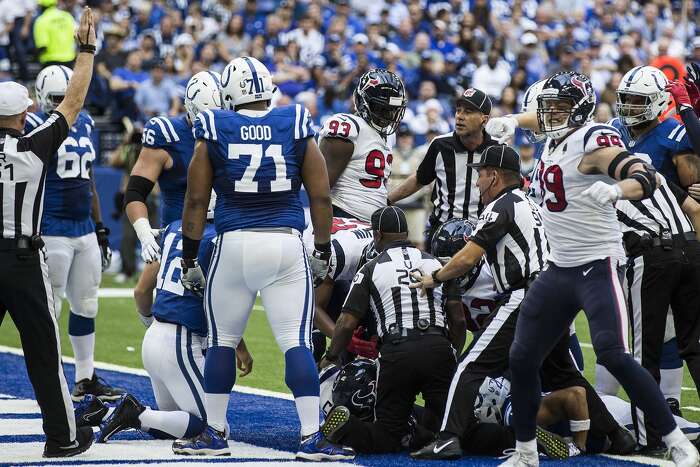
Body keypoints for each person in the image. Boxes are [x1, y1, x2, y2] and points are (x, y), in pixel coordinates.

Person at [485, 71, 699, 467]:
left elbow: (643, 174)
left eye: (558, 109)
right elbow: (540, 116)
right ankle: (526, 452)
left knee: (614, 354)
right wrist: (513, 120)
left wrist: (620, 189)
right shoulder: (556, 137)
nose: (548, 115)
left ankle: (676, 441)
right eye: (546, 109)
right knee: (522, 357)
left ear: (578, 111)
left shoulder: (591, 140)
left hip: (595, 266)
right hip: (557, 269)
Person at [174, 56, 354, 461]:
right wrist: (323, 248)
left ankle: (214, 433)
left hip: (234, 244)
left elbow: (196, 200)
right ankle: (311, 436)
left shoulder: (214, 124)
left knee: (221, 341)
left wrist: (188, 259)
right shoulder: (293, 119)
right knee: (296, 342)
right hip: (286, 244)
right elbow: (320, 195)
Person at [409, 146, 615, 460]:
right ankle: (617, 434)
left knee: (470, 366)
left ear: (493, 176)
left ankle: (448, 438)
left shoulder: (500, 205)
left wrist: (435, 277)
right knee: (561, 373)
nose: (477, 182)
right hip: (554, 292)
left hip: (528, 294)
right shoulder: (529, 203)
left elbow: (468, 257)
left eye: (480, 175)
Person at [0, 7, 95, 457]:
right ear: (24, 114)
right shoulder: (32, 146)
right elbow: (72, 102)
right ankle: (62, 438)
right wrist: (87, 50)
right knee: (42, 354)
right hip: (22, 258)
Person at [96, 196, 253, 445]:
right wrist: (239, 346)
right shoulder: (221, 239)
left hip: (155, 337)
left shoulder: (171, 229)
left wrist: (151, 324)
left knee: (172, 422)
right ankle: (135, 414)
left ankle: (105, 412)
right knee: (212, 428)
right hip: (180, 344)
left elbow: (141, 291)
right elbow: (219, 302)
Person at [320, 206, 466, 454]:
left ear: (377, 235)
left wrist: (331, 356)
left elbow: (346, 323)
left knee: (388, 434)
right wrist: (453, 352)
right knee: (454, 428)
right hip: (438, 347)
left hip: (399, 352)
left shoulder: (371, 268)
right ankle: (511, 433)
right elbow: (459, 320)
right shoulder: (434, 262)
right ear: (406, 233)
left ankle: (348, 428)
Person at [25, 64, 123, 402]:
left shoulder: (87, 123)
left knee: (87, 303)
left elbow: (89, 180)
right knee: (50, 308)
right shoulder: (35, 125)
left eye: (66, 97)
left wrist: (99, 226)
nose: (61, 104)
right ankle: (52, 376)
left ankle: (85, 376)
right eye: (55, 98)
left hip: (83, 229)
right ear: (41, 98)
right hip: (52, 228)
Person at [613, 160, 700, 449]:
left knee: (642, 354)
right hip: (690, 247)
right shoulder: (652, 172)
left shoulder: (596, 181)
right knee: (694, 347)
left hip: (651, 255)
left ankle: (647, 437)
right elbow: (696, 209)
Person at [388, 88, 497, 250]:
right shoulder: (440, 145)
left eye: (468, 112)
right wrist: (388, 200)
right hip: (442, 231)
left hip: (481, 233)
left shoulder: (497, 148)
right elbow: (420, 179)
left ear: (484, 118)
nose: (459, 116)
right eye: (458, 110)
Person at [318, 68, 407, 222]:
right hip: (344, 218)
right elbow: (320, 189)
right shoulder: (349, 126)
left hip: (373, 224)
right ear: (362, 101)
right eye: (381, 108)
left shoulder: (388, 136)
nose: (387, 115)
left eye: (392, 110)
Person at [33, 0, 76, 66]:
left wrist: (35, 57)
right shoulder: (67, 16)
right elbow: (77, 36)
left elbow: (42, 46)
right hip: (69, 60)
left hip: (50, 61)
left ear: (42, 5)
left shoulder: (41, 20)